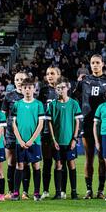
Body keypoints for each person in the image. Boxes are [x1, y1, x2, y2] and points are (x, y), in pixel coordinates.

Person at [73, 54, 106, 200]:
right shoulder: (84, 81)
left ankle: (101, 190)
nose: (95, 65)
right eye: (92, 63)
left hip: (104, 123)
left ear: (103, 64)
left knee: (103, 157)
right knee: (89, 157)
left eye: (97, 62)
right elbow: (73, 96)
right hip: (87, 122)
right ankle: (89, 190)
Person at [47, 78, 83, 200]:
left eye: (63, 87)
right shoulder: (52, 105)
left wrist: (74, 139)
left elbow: (77, 122)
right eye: (58, 88)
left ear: (67, 88)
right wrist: (53, 139)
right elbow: (50, 123)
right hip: (57, 141)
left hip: (69, 141)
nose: (60, 90)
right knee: (58, 165)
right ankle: (58, 193)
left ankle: (73, 192)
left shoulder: (74, 103)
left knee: (71, 164)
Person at [11, 78, 45, 201]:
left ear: (34, 89)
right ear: (22, 89)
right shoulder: (17, 104)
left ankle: (36, 193)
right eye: (25, 88)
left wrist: (31, 140)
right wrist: (19, 140)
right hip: (20, 142)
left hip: (34, 142)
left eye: (30, 88)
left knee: (36, 166)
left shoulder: (38, 104)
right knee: (20, 165)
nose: (27, 90)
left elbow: (40, 124)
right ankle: (16, 193)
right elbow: (14, 124)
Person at [1, 72, 32, 200]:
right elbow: (3, 116)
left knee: (25, 162)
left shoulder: (30, 96)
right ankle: (11, 191)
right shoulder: (8, 96)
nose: (19, 81)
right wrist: (3, 134)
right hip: (10, 133)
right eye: (17, 79)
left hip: (25, 134)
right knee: (11, 162)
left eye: (22, 79)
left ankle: (25, 192)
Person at [38, 67, 62, 200]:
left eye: (52, 73)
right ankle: (46, 190)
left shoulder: (63, 90)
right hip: (46, 131)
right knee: (47, 162)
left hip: (61, 133)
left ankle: (60, 191)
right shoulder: (43, 91)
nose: (49, 76)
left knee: (59, 162)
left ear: (59, 75)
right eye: (47, 74)